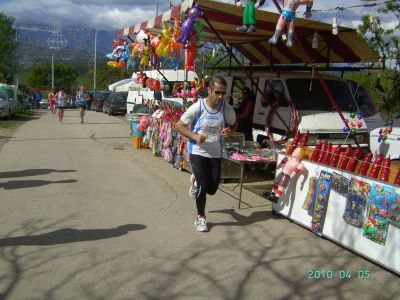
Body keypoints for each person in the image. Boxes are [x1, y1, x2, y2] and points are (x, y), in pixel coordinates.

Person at [176, 76, 237, 232]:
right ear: (209, 90)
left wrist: (229, 131)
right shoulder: (199, 107)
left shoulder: (226, 108)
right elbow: (179, 125)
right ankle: (200, 217)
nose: (220, 97)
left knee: (212, 189)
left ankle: (196, 181)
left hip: (215, 151)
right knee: (204, 186)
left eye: (224, 94)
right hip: (198, 150)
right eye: (217, 92)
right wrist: (195, 136)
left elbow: (234, 123)